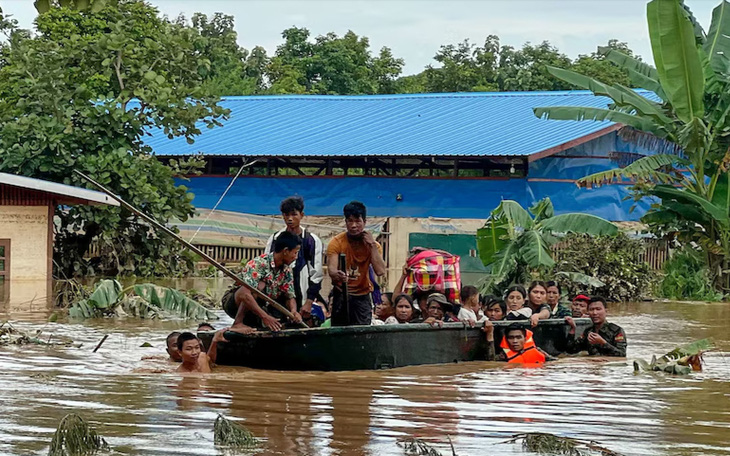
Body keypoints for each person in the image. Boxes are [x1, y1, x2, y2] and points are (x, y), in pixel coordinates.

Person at [223, 231, 303, 332]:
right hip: (235, 302)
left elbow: (290, 296)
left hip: (261, 306)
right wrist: (265, 317)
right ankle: (238, 323)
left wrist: (293, 311)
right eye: (295, 253)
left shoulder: (287, 270)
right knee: (259, 286)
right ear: (286, 251)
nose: (296, 257)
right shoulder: (259, 264)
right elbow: (244, 294)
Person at [326, 201, 386, 326]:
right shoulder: (337, 242)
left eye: (357, 221)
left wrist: (372, 246)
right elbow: (331, 269)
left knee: (361, 334)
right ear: (346, 222)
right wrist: (337, 275)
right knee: (339, 333)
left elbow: (380, 271)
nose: (353, 226)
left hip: (362, 295)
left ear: (364, 222)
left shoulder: (373, 245)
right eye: (350, 221)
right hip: (341, 293)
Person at [265, 196, 324, 321]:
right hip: (276, 296)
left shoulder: (310, 240)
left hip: (301, 295)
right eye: (286, 215)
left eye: (294, 215)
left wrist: (308, 302)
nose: (290, 219)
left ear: (301, 215)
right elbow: (266, 267)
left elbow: (316, 275)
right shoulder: (275, 239)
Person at [483, 322, 553, 363]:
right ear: (506, 340)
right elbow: (491, 362)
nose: (515, 341)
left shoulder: (538, 351)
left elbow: (555, 362)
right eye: (511, 338)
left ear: (525, 339)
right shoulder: (503, 356)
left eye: (518, 337)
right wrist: (490, 334)